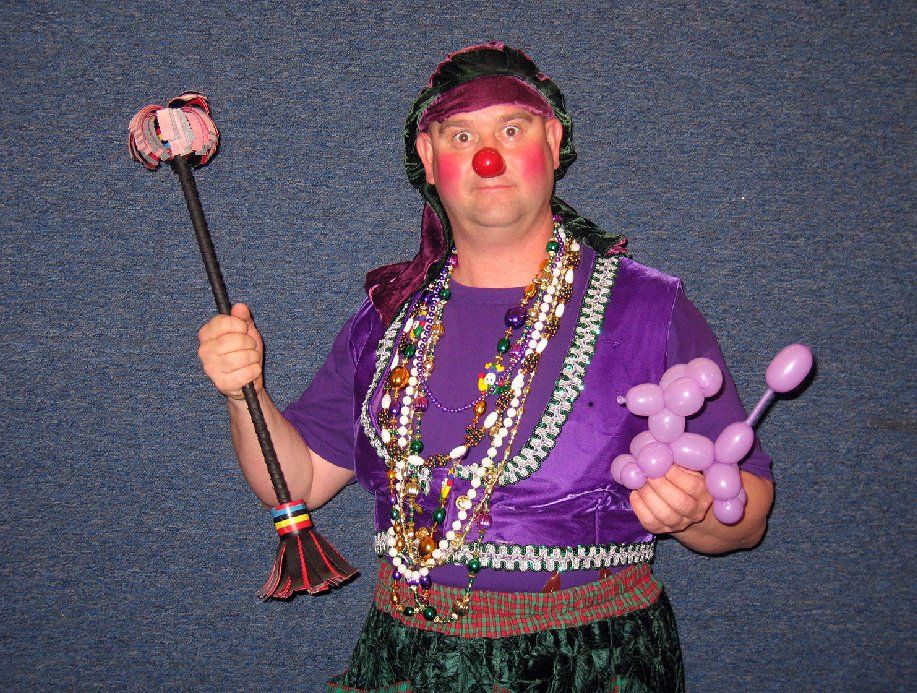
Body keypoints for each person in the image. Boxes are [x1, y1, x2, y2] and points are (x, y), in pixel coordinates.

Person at [197, 43, 774, 692]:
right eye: (460, 133)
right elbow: (294, 480)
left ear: (552, 141)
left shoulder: (646, 310)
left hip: (590, 667)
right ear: (427, 156)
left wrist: (695, 511)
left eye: (510, 129)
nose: (487, 156)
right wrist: (244, 392)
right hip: (406, 661)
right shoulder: (386, 320)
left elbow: (747, 514)